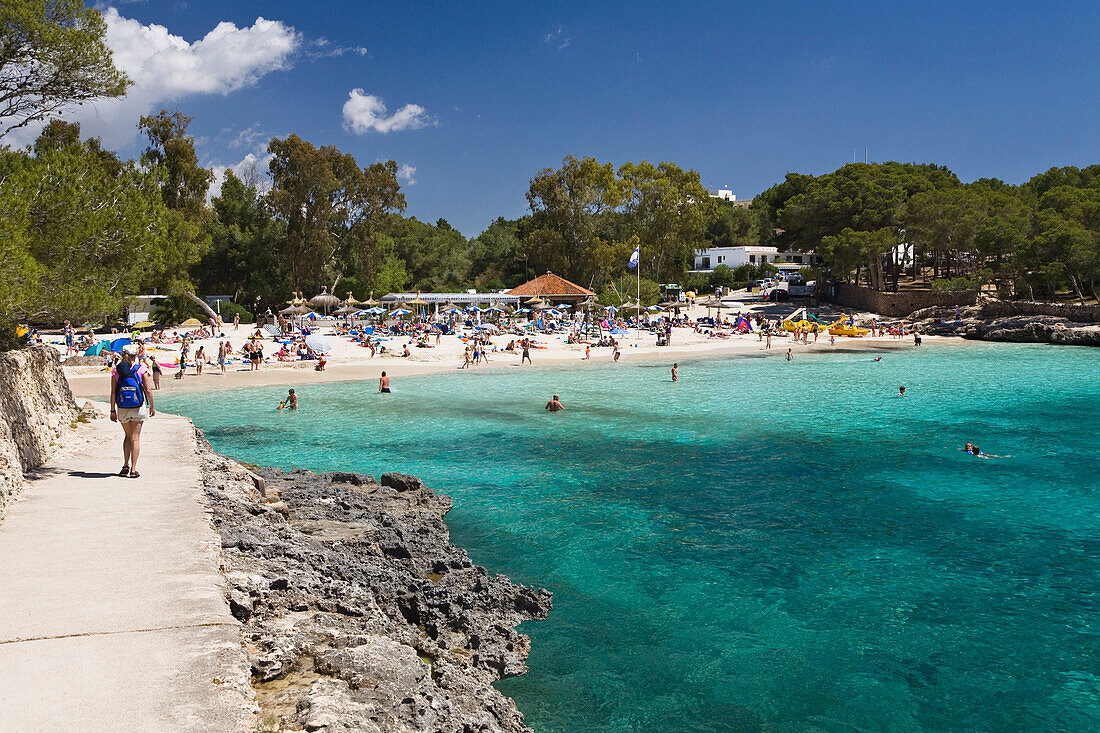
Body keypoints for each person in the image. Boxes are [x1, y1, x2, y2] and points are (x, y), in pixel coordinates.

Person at [110, 345, 155, 478]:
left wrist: (112, 410)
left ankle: (125, 466)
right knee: (135, 438)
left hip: (122, 407)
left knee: (128, 436)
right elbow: (148, 390)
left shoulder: (116, 370)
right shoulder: (141, 369)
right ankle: (134, 470)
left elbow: (113, 392)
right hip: (138, 406)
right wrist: (152, 406)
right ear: (136, 355)